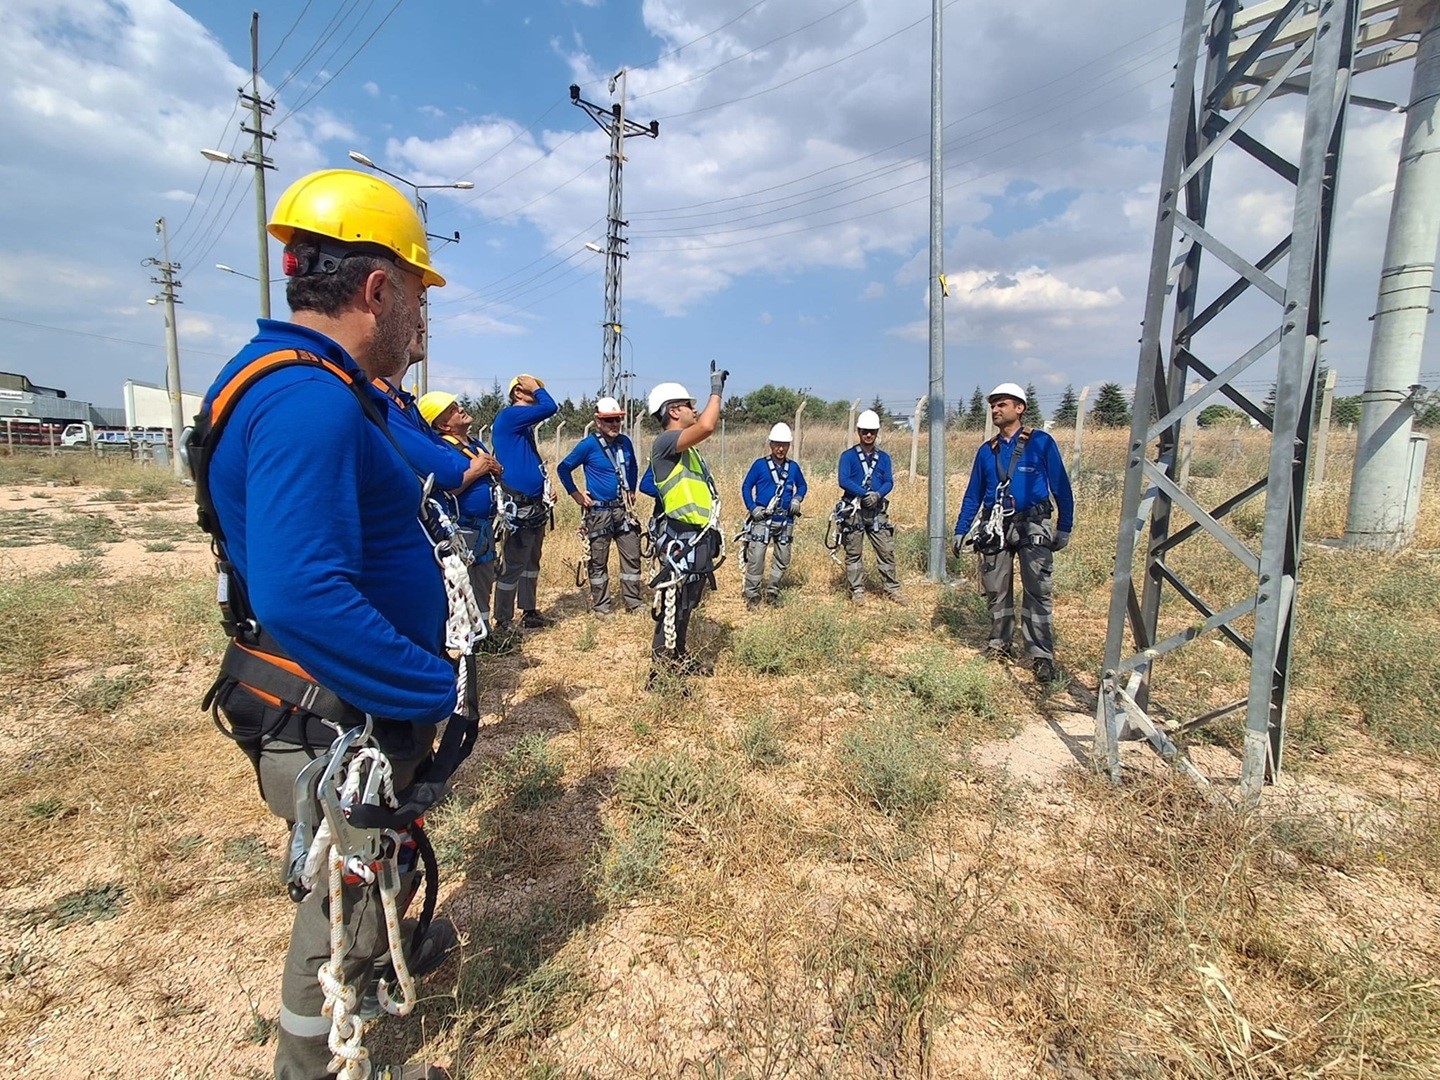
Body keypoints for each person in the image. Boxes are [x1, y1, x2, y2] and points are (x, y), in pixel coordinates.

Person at [191, 169, 458, 1080]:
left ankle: (383, 966)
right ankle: (312, 1066)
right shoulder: (307, 401)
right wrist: (433, 687)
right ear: (377, 289)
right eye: (418, 294)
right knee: (338, 899)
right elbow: (303, 594)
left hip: (336, 705)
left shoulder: (315, 385)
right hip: (331, 712)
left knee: (374, 864)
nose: (421, 319)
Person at [951, 382, 1075, 683]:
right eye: (992, 405)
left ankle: (1041, 655)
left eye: (1001, 404)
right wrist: (961, 529)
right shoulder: (987, 451)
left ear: (1019, 408)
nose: (995, 409)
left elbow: (1060, 486)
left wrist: (1064, 527)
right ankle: (1000, 644)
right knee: (996, 589)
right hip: (995, 526)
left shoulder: (1041, 443)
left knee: (1038, 590)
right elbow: (973, 494)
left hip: (1033, 523)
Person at [646, 364, 728, 687]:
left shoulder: (687, 451)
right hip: (681, 540)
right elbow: (707, 425)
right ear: (674, 410)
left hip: (696, 539)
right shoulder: (665, 443)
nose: (695, 410)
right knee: (673, 604)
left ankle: (678, 658)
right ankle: (660, 675)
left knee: (686, 606)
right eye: (689, 405)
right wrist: (716, 391)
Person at [418, 391, 512, 650]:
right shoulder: (441, 450)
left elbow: (492, 475)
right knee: (461, 586)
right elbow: (445, 488)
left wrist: (497, 471)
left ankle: (483, 635)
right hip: (462, 529)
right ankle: (462, 642)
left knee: (483, 583)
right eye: (451, 410)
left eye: (457, 405)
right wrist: (476, 470)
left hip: (484, 528)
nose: (460, 409)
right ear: (443, 425)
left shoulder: (476, 445)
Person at [558, 397, 645, 615]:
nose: (615, 424)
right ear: (598, 422)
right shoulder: (588, 445)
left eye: (618, 419)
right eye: (609, 420)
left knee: (632, 555)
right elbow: (563, 468)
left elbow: (633, 467)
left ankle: (633, 603)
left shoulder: (625, 442)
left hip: (623, 510)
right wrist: (576, 495)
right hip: (599, 512)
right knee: (598, 561)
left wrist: (631, 490)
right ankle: (602, 607)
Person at [491, 374, 559, 632]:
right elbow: (550, 407)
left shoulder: (523, 426)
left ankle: (529, 611)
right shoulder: (511, 416)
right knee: (513, 564)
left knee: (531, 561)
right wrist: (536, 389)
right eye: (532, 388)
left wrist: (545, 489)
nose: (538, 390)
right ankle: (503, 620)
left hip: (534, 504)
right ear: (518, 392)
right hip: (518, 506)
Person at [835, 409, 901, 604]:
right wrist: (864, 494)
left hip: (877, 510)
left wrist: (877, 495)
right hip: (854, 510)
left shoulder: (884, 458)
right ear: (859, 431)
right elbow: (843, 480)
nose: (869, 435)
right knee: (854, 552)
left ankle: (892, 589)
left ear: (877, 432)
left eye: (872, 431)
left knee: (886, 550)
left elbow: (889, 481)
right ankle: (857, 590)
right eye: (865, 431)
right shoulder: (848, 456)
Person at [739, 422, 808, 607]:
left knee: (783, 557)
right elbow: (746, 486)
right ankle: (752, 594)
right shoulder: (760, 465)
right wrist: (752, 508)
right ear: (770, 444)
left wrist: (797, 499)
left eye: (784, 445)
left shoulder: (793, 468)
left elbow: (802, 485)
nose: (780, 449)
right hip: (763, 518)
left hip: (785, 520)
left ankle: (772, 591)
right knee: (756, 558)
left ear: (789, 445)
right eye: (777, 444)